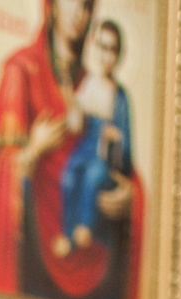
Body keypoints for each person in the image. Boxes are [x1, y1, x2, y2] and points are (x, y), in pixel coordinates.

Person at [0, 0, 144, 299]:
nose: (77, 14)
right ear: (51, 5)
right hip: (37, 259)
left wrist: (130, 195)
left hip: (99, 261)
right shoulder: (21, 69)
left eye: (85, 5)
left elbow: (121, 163)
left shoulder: (98, 87)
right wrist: (32, 150)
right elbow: (1, 168)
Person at [55, 20, 131, 261]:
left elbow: (126, 147)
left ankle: (84, 227)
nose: (106, 55)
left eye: (112, 49)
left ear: (118, 55)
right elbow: (77, 121)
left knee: (93, 176)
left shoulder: (119, 97)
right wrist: (69, 96)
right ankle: (68, 233)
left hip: (103, 154)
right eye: (102, 47)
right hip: (86, 145)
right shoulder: (89, 84)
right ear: (94, 47)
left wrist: (115, 137)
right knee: (69, 176)